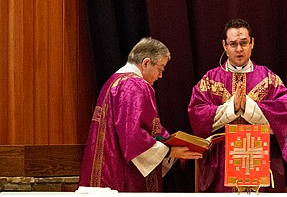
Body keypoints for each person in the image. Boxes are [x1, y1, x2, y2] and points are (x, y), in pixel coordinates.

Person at [79, 37, 203, 191]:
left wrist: (171, 143)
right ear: (145, 63)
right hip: (121, 176)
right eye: (160, 68)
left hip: (106, 169)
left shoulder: (114, 81)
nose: (160, 76)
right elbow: (133, 136)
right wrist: (170, 151)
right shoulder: (134, 85)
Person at [188, 19, 287, 192]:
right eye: (233, 44)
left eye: (243, 43)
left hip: (261, 155)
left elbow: (282, 113)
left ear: (252, 43)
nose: (239, 49)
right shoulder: (210, 79)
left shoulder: (269, 79)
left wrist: (249, 106)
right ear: (224, 45)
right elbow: (196, 113)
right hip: (223, 158)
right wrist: (232, 108)